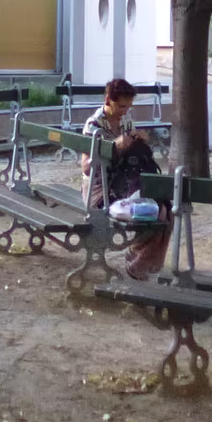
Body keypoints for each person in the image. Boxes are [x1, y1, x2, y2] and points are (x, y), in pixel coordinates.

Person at [83, 79, 169, 280]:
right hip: (100, 189)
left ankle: (139, 259)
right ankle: (139, 261)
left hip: (124, 183)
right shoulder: (93, 125)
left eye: (129, 106)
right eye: (122, 106)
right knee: (156, 213)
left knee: (165, 209)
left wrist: (138, 140)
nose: (125, 111)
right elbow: (86, 168)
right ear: (108, 100)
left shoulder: (126, 120)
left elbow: (130, 157)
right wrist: (114, 146)